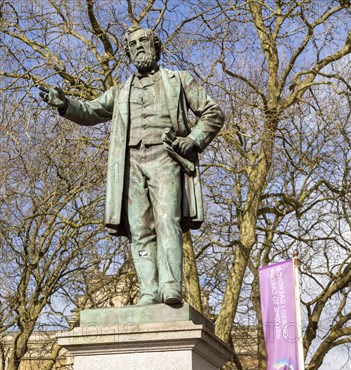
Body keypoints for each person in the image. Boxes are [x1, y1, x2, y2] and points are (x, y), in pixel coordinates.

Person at [39, 26, 224, 306]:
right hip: (131, 164)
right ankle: (148, 290)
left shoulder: (179, 80)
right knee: (139, 229)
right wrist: (65, 104)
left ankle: (170, 285)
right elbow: (91, 111)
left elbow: (213, 113)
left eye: (143, 41)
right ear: (127, 52)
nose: (138, 46)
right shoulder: (121, 91)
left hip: (166, 158)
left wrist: (194, 140)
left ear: (156, 46)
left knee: (166, 222)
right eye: (132, 43)